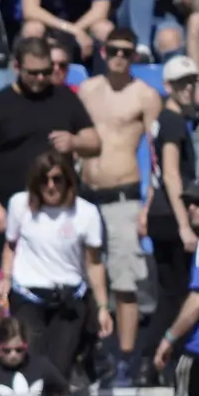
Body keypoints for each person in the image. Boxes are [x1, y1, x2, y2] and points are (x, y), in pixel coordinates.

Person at [75, 29, 163, 375]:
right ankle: (90, 356)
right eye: (114, 50)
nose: (119, 57)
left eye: (126, 52)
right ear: (103, 51)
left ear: (134, 57)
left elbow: (158, 157)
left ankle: (125, 359)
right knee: (82, 279)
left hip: (123, 197)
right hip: (85, 196)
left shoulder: (144, 96)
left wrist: (148, 206)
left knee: (125, 282)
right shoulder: (87, 91)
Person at [0, 35, 99, 235]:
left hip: (60, 211)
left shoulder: (65, 98)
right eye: (33, 73)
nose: (40, 78)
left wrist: (74, 142)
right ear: (16, 67)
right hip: (13, 210)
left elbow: (94, 143)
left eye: (46, 72)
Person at [4, 149, 112, 385]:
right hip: (28, 295)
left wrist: (103, 306)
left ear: (68, 181)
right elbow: (11, 246)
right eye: (44, 180)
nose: (51, 186)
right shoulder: (19, 205)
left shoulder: (86, 213)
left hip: (69, 297)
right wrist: (4, 279)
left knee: (58, 367)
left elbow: (94, 263)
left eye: (57, 179)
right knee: (30, 363)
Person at [147, 74, 199, 356]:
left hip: (160, 213)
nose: (187, 88)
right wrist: (185, 225)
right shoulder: (173, 121)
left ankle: (151, 359)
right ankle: (151, 357)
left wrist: (146, 209)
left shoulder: (164, 119)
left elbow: (156, 173)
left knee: (170, 293)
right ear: (167, 86)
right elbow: (172, 175)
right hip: (173, 217)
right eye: (180, 83)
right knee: (178, 295)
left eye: (191, 83)